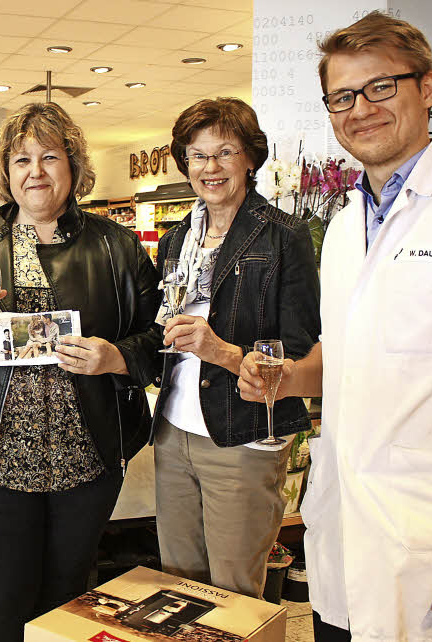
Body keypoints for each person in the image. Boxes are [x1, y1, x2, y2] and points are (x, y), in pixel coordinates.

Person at [238, 12, 432, 640]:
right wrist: (289, 378)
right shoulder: (347, 224)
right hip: (345, 546)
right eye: (342, 96)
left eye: (381, 87)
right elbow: (346, 350)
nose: (360, 109)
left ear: (427, 88)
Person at [0, 102, 162, 642]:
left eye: (50, 157)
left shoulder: (114, 246)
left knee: (70, 594)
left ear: (73, 166)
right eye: (22, 159)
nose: (36, 172)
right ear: (7, 170)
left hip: (88, 452)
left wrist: (115, 357)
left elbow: (159, 337)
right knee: (3, 595)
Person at [147, 98, 320, 599]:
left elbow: (301, 343)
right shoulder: (177, 238)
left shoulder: (285, 235)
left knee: (234, 589)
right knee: (178, 581)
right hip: (174, 428)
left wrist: (220, 350)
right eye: (197, 155)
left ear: (250, 158)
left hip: (241, 432)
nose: (210, 168)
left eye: (224, 152)